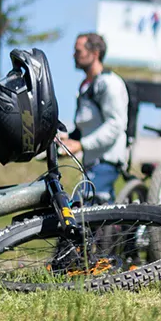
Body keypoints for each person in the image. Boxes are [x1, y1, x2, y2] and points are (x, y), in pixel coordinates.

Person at [59, 32, 130, 202]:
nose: (74, 55)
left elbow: (115, 124)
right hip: (90, 163)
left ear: (95, 53)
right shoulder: (85, 86)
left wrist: (82, 145)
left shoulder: (109, 84)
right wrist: (67, 139)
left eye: (79, 51)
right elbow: (86, 127)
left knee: (81, 209)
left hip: (107, 161)